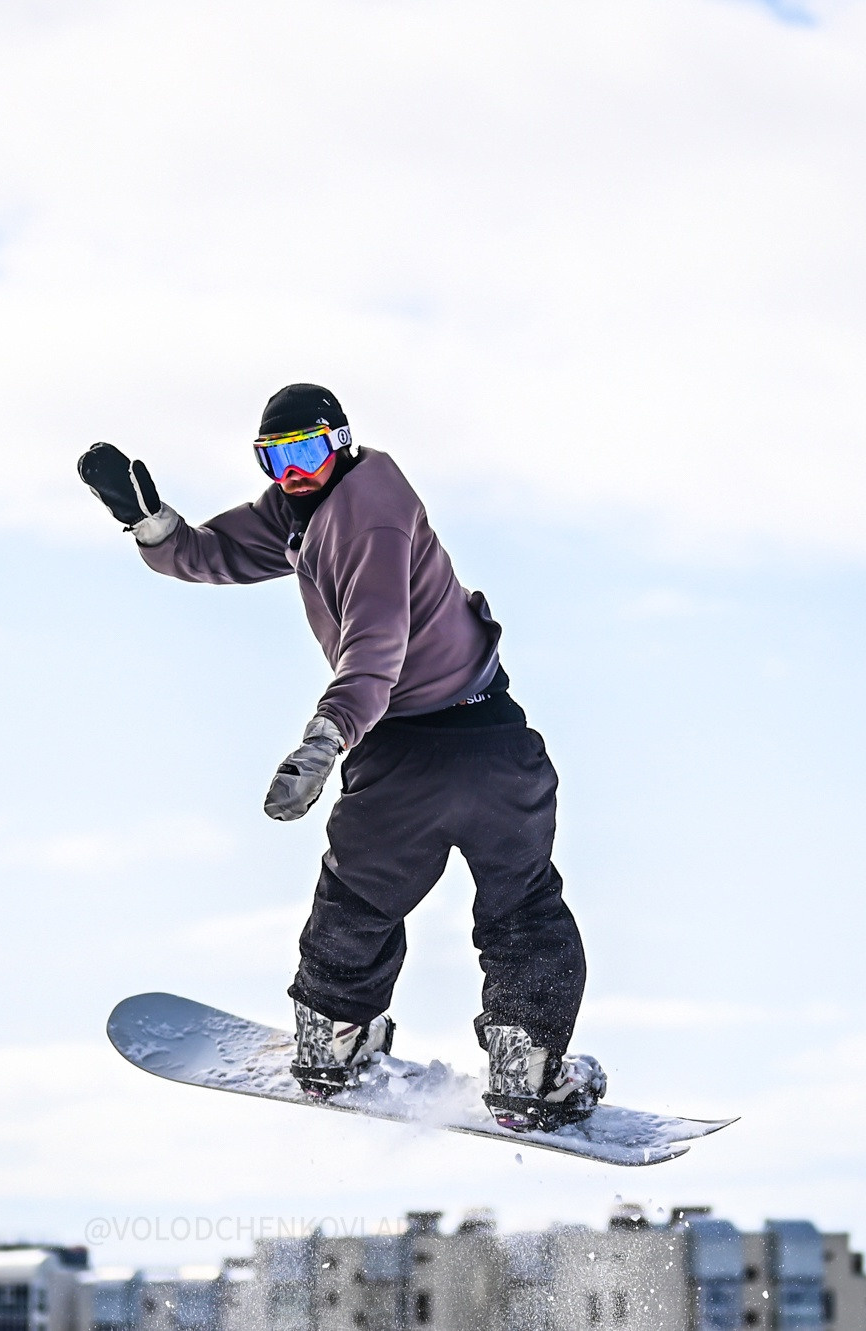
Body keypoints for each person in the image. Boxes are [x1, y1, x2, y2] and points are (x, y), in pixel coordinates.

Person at [76, 384, 604, 1132]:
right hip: (482, 750)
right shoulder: (298, 512)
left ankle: (338, 1034)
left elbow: (376, 642)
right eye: (277, 458)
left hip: (421, 742)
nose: (294, 471)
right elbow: (211, 553)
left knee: (372, 897)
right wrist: (147, 521)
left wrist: (326, 737)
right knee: (487, 902)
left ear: (342, 442)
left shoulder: (373, 511)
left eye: (309, 452)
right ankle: (517, 1057)